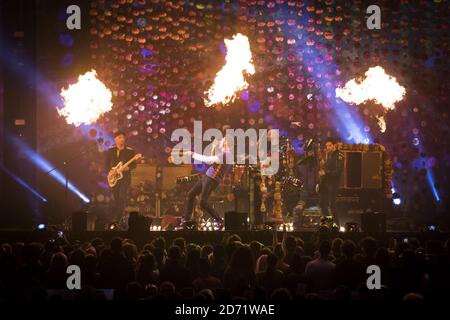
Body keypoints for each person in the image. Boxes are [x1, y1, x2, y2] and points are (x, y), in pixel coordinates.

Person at [182, 134, 232, 227]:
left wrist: (192, 154)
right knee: (191, 194)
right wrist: (213, 147)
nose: (220, 142)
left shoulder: (226, 155)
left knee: (202, 202)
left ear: (226, 143)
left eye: (222, 141)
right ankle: (186, 219)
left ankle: (219, 220)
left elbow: (208, 160)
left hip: (212, 179)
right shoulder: (223, 154)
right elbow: (213, 159)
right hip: (207, 176)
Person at [105, 131, 138, 222]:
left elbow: (134, 165)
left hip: (125, 178)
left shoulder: (129, 151)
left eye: (123, 137)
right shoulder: (110, 150)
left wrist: (128, 168)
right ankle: (116, 215)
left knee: (122, 196)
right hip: (114, 177)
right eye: (119, 137)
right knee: (115, 197)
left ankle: (118, 218)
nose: (122, 139)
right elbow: (106, 164)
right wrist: (110, 171)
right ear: (115, 139)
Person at [318, 137, 343, 225]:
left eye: (329, 145)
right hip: (326, 184)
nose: (327, 147)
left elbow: (338, 171)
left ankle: (336, 225)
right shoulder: (329, 156)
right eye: (326, 146)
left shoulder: (339, 155)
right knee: (322, 204)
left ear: (334, 145)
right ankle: (331, 224)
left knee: (332, 205)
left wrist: (326, 172)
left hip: (333, 184)